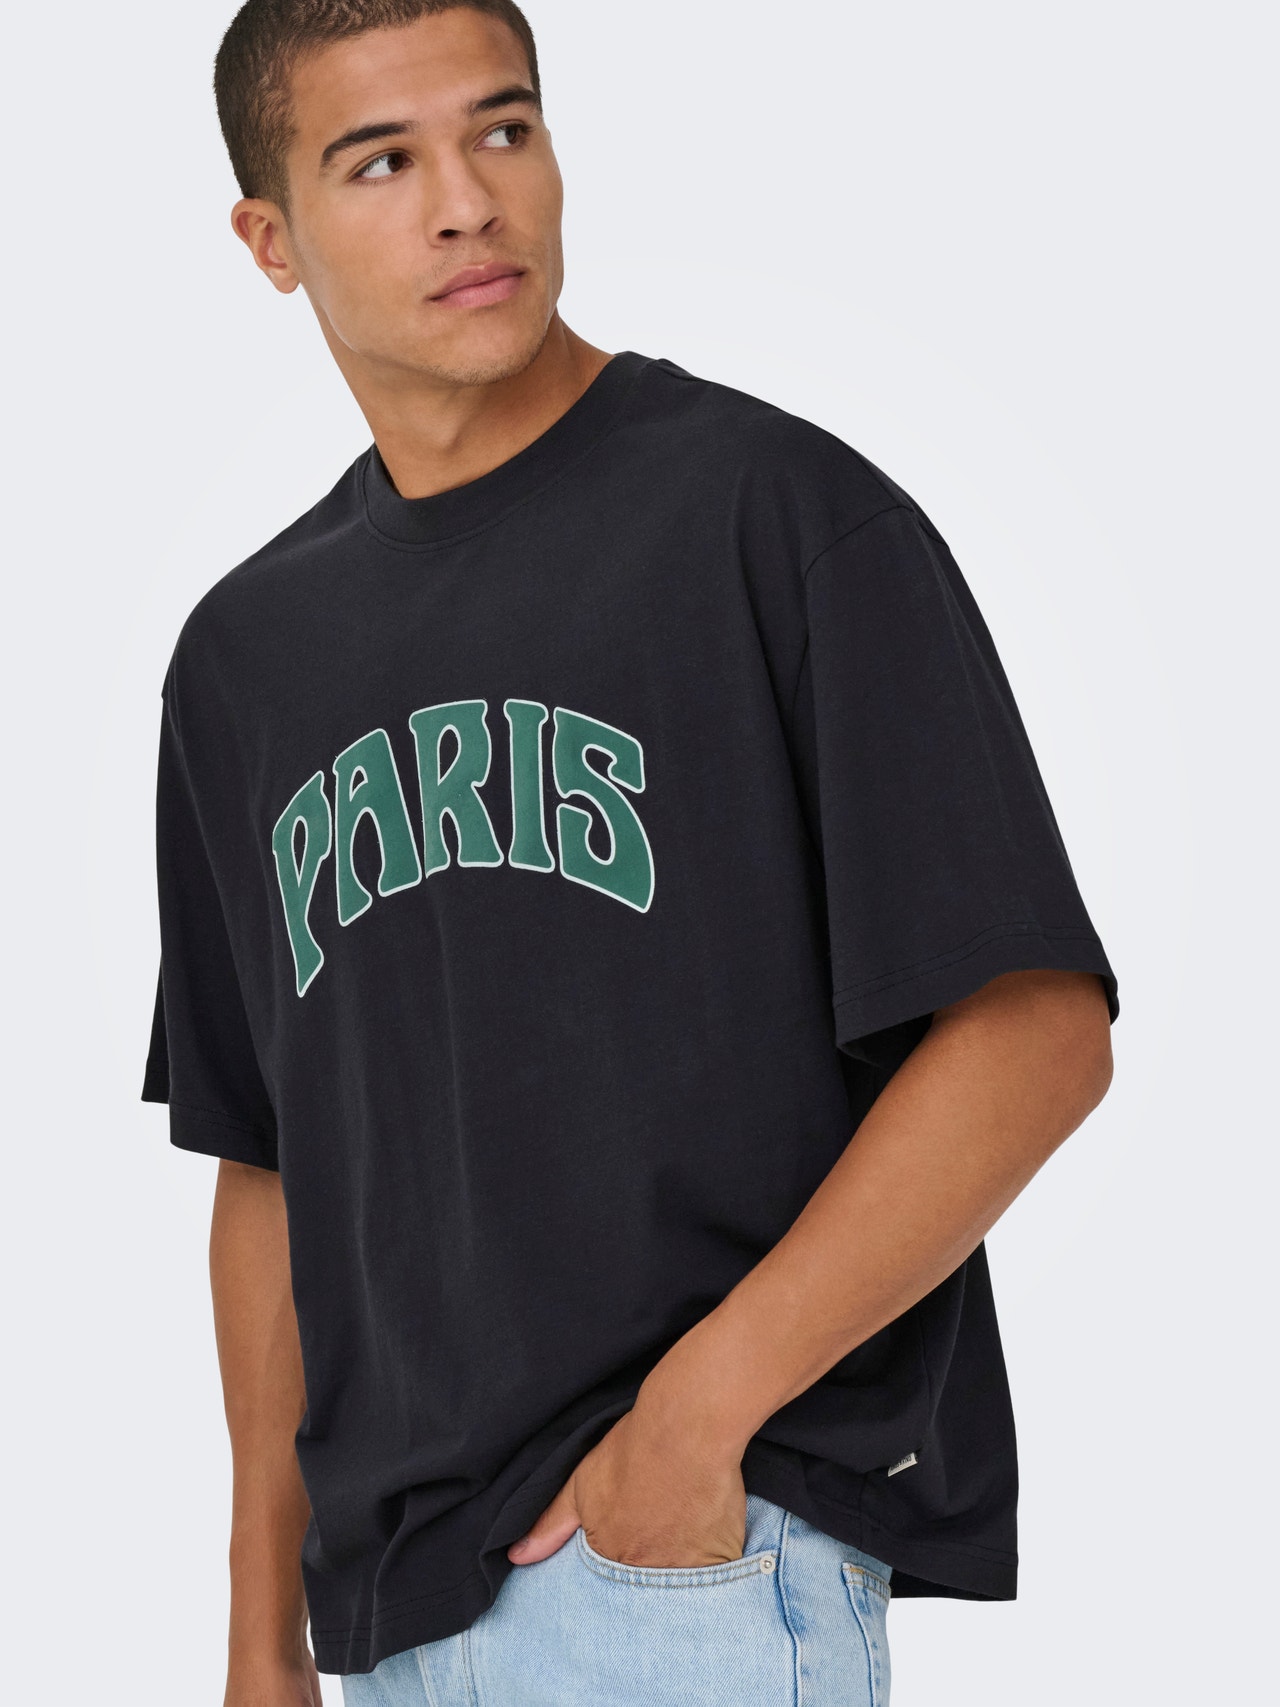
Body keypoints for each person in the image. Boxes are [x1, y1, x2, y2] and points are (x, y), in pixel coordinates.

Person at [139, 1, 1120, 1702]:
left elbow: (1034, 1031)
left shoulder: (771, 514)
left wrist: (696, 1420)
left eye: (502, 130)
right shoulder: (245, 661)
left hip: (685, 1568)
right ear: (269, 241)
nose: (468, 202)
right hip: (385, 1619)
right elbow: (271, 1163)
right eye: (381, 163)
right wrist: (257, 1629)